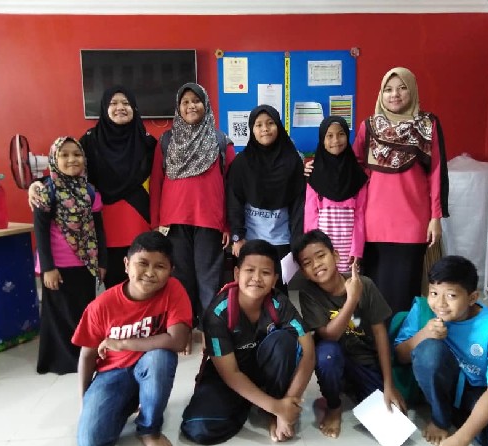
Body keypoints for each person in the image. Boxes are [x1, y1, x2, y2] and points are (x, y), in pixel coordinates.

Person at [394, 255, 488, 446]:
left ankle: (456, 413)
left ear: (472, 297)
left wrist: (461, 439)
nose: (440, 304)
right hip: (440, 381)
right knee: (429, 351)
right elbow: (400, 356)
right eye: (434, 293)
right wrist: (424, 334)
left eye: (451, 295)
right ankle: (440, 417)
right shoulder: (422, 310)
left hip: (476, 390)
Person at [72, 231, 192, 446]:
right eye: (142, 263)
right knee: (91, 444)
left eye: (160, 266)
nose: (150, 273)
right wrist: (84, 400)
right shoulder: (101, 305)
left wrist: (124, 343)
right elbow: (87, 356)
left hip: (149, 366)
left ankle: (149, 429)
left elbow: (177, 341)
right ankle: (132, 401)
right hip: (112, 373)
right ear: (127, 264)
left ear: (171, 271)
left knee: (160, 357)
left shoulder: (173, 289)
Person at [181, 239, 315, 445]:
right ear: (237, 274)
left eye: (265, 272)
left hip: (265, 371)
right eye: (250, 270)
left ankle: (268, 407)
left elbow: (309, 351)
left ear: (274, 279)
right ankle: (255, 402)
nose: (256, 278)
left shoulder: (279, 303)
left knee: (283, 341)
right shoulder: (218, 313)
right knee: (198, 428)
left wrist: (288, 404)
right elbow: (231, 373)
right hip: (231, 372)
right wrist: (278, 408)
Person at [30, 86, 156, 288]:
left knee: (143, 282)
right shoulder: (90, 141)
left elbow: (162, 181)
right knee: (114, 286)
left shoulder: (148, 143)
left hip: (140, 222)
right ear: (104, 108)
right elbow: (68, 172)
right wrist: (37, 184)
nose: (120, 108)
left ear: (134, 108)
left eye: (126, 103)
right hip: (102, 224)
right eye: (113, 103)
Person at [353, 67, 449, 317]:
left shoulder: (427, 124)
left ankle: (402, 339)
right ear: (381, 94)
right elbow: (352, 167)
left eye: (402, 88)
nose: (394, 94)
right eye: (388, 89)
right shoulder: (369, 126)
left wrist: (436, 217)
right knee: (373, 290)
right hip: (374, 223)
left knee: (405, 292)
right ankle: (375, 340)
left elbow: (437, 172)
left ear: (412, 90)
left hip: (412, 223)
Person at [291, 229, 405, 439]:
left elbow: (380, 334)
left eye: (321, 256)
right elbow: (329, 335)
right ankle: (334, 406)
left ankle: (353, 386)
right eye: (307, 263)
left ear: (335, 256)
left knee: (395, 428)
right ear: (304, 272)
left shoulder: (365, 285)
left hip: (364, 361)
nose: (316, 265)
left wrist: (389, 384)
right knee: (327, 354)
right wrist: (352, 299)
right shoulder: (309, 293)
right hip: (334, 356)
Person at [150, 83, 235, 354]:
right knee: (181, 279)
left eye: (196, 100)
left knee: (210, 281)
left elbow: (231, 187)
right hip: (173, 222)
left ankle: (211, 331)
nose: (191, 106)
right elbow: (156, 183)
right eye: (185, 101)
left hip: (210, 221)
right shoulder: (166, 141)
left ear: (206, 104)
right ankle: (183, 330)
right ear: (178, 107)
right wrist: (155, 223)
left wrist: (228, 224)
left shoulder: (221, 141)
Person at [34, 136, 107, 375]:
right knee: (59, 314)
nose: (71, 159)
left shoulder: (90, 191)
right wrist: (48, 268)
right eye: (64, 155)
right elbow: (41, 231)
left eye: (76, 154)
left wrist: (102, 261)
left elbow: (98, 229)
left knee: (81, 311)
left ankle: (82, 357)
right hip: (57, 266)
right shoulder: (46, 191)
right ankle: (60, 361)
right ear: (54, 160)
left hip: (85, 263)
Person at [226, 104, 305, 292]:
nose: (265, 129)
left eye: (270, 123)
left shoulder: (293, 161)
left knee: (278, 290)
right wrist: (237, 236)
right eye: (259, 125)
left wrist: (297, 241)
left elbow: (298, 204)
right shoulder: (242, 162)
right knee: (251, 289)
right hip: (250, 239)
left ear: (278, 126)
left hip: (281, 240)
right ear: (252, 129)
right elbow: (234, 200)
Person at [304, 116, 368, 273]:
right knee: (323, 280)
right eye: (329, 136)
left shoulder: (358, 175)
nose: (336, 140)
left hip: (348, 250)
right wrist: (311, 247)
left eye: (341, 134)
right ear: (322, 139)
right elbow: (310, 216)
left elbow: (360, 215)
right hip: (321, 247)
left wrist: (357, 250)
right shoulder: (313, 174)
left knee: (347, 284)